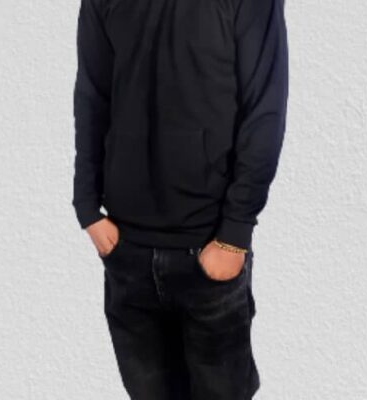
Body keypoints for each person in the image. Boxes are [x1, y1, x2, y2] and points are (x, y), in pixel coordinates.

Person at [72, 0, 288, 397]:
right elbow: (93, 92)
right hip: (127, 252)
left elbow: (264, 109)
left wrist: (234, 233)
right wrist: (86, 207)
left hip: (208, 246)